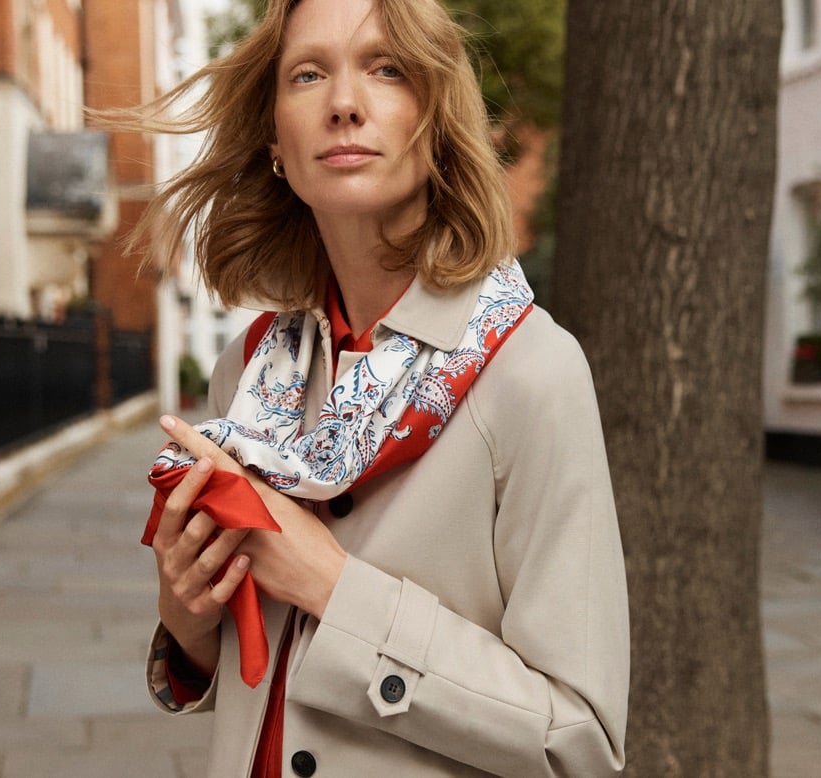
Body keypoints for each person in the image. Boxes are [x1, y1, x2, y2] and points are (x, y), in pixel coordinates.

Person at [128, 0, 629, 774]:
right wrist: (189, 620)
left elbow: (581, 744)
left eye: (386, 68)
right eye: (308, 74)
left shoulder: (531, 371)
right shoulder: (251, 372)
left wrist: (336, 590)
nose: (344, 102)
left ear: (434, 122)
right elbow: (258, 684)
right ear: (274, 143)